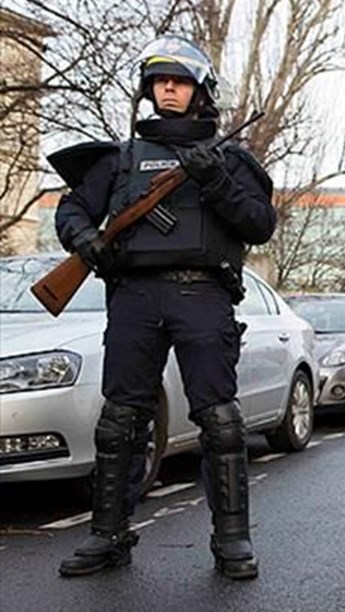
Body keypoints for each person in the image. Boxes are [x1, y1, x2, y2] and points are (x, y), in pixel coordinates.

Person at [54, 35, 275, 580]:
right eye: (159, 81)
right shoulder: (122, 159)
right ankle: (108, 535)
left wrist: (216, 180)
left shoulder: (229, 160)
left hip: (202, 296)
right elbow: (73, 208)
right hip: (133, 298)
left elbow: (260, 225)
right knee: (119, 422)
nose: (167, 90)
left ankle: (232, 542)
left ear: (201, 90)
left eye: (178, 81)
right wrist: (84, 238)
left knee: (220, 422)